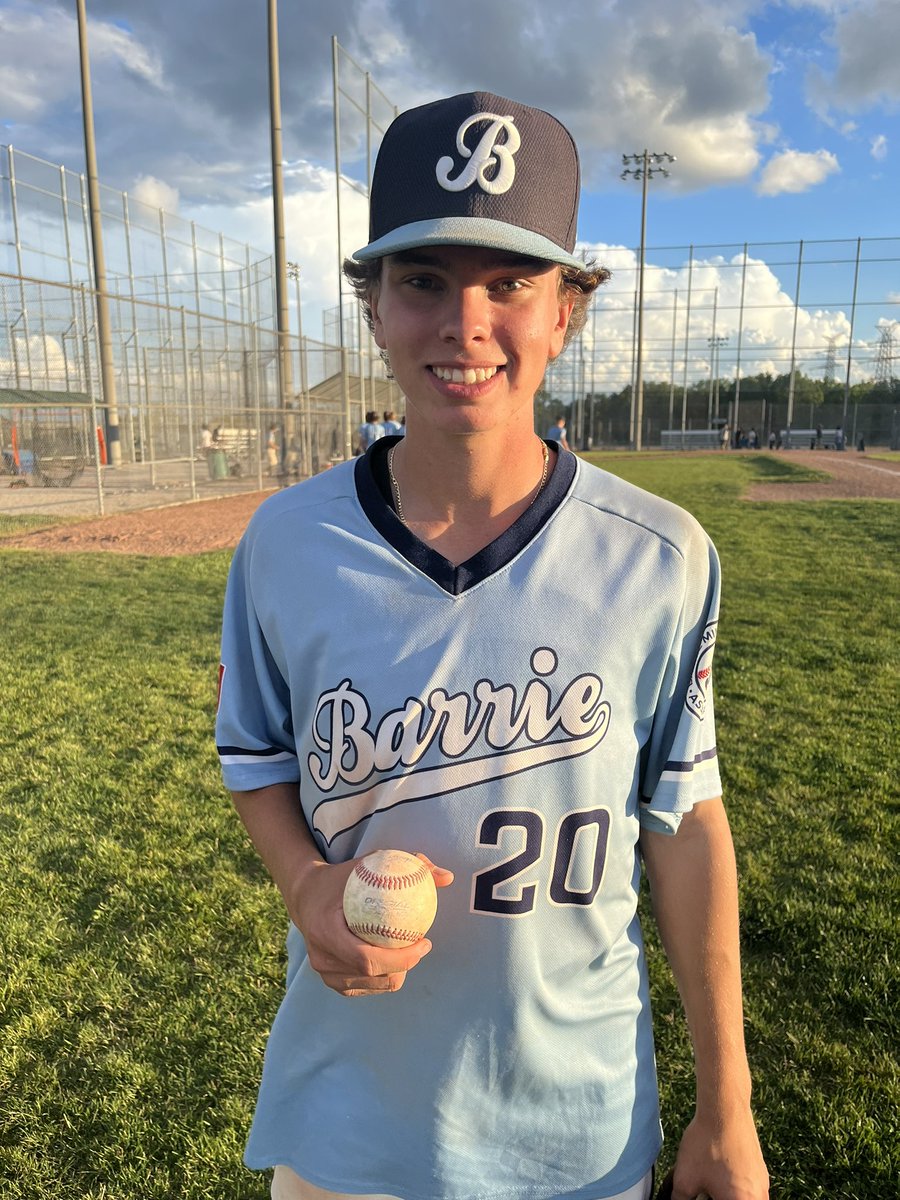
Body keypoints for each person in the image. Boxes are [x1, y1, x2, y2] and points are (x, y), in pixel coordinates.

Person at [216, 90, 768, 1200]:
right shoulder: (286, 542)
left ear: (566, 310)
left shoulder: (660, 555)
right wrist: (304, 887)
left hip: (573, 1130)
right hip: (347, 1125)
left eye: (509, 282)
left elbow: (686, 821)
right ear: (374, 306)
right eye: (423, 280)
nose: (465, 323)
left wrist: (729, 1107)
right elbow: (259, 759)